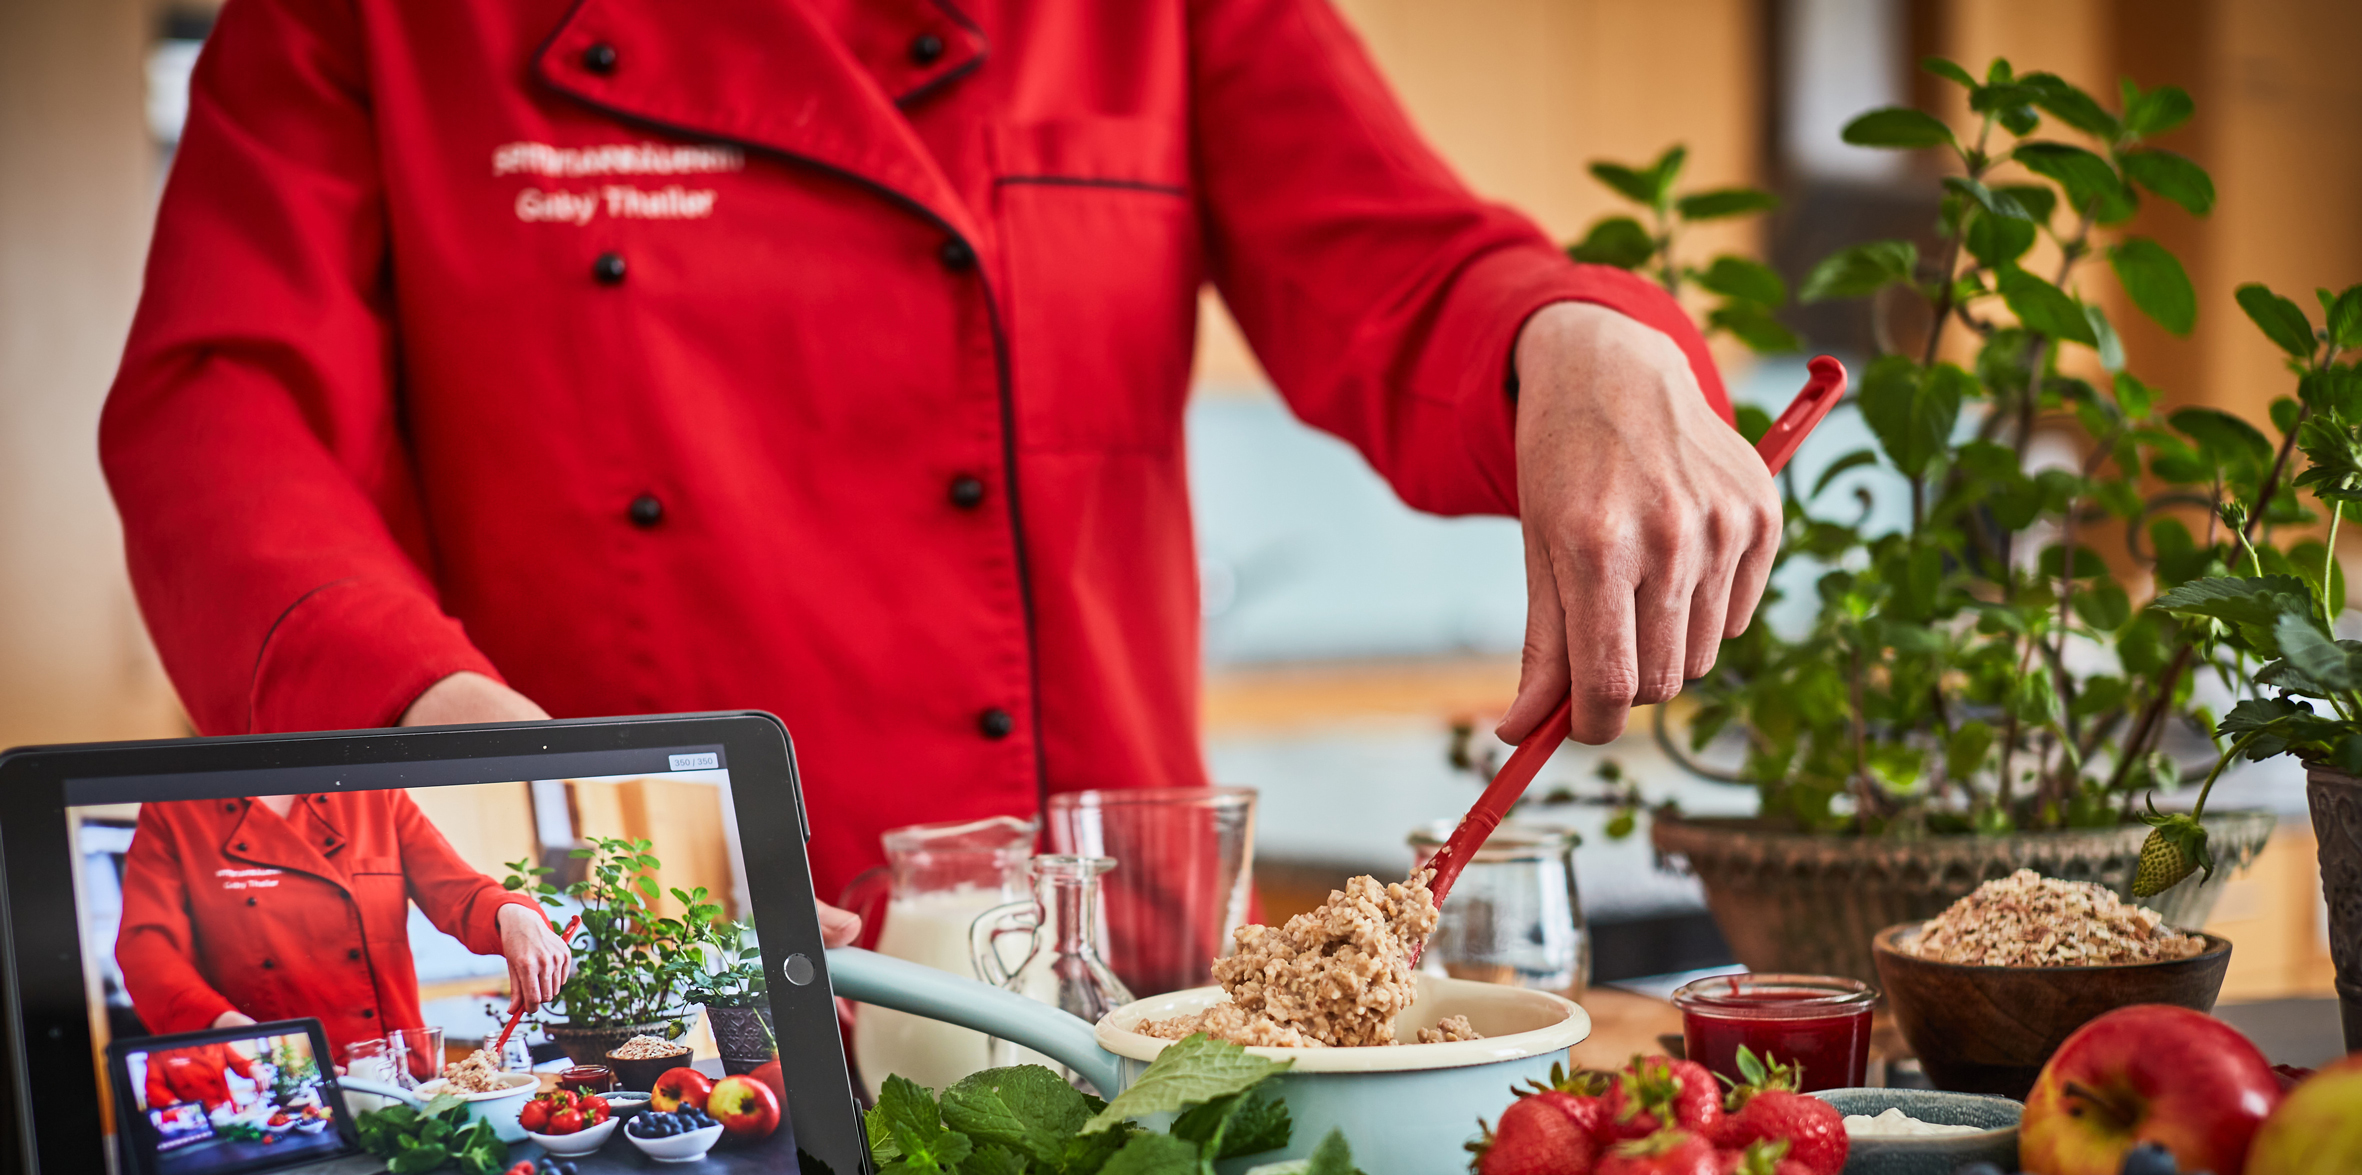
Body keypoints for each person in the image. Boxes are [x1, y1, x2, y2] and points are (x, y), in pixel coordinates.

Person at [101, 0, 1779, 930]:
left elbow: (1400, 275)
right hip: (640, 937)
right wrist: (420, 719)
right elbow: (220, 409)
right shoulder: (368, 21)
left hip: (1091, 968)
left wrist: (1577, 338)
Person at [115, 790, 574, 1063]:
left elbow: (457, 889)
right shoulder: (176, 811)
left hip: (404, 1077)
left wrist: (513, 914)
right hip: (284, 1080)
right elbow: (146, 951)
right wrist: (230, 1031)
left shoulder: (370, 791)